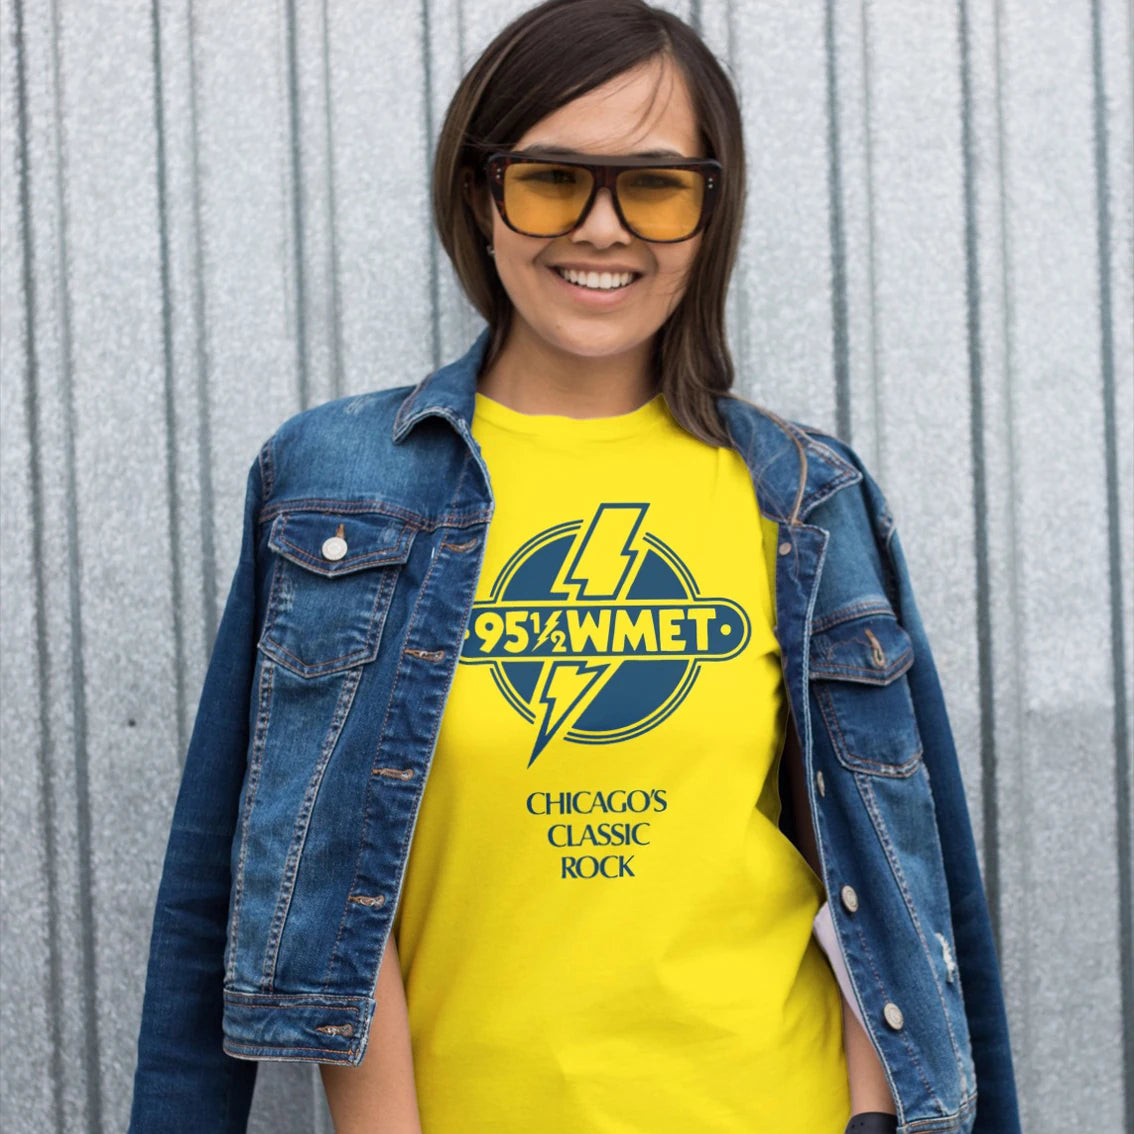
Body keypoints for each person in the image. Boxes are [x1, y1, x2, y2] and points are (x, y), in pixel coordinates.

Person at [128, 2, 1021, 1132]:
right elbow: (228, 879)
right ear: (478, 197)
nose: (603, 229)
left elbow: (913, 866)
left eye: (655, 185)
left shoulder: (805, 496)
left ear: (710, 214)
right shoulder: (338, 485)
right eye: (552, 177)